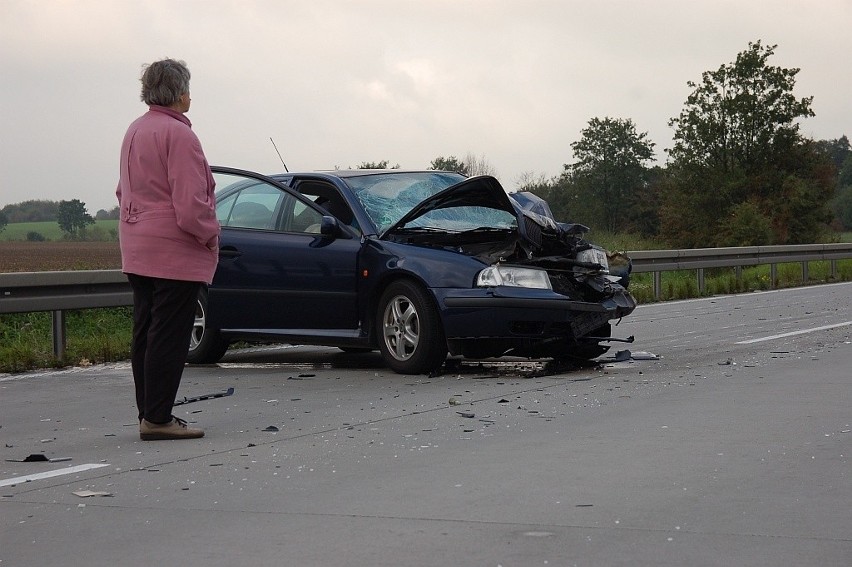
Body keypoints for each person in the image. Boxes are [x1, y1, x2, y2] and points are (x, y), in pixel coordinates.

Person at [116, 58, 220, 440]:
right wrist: (210, 236)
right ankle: (159, 419)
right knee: (169, 334)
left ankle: (149, 412)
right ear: (178, 94)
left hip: (136, 244)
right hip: (173, 250)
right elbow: (191, 204)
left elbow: (122, 190)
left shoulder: (135, 130)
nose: (191, 95)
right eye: (188, 88)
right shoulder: (180, 135)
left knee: (145, 330)